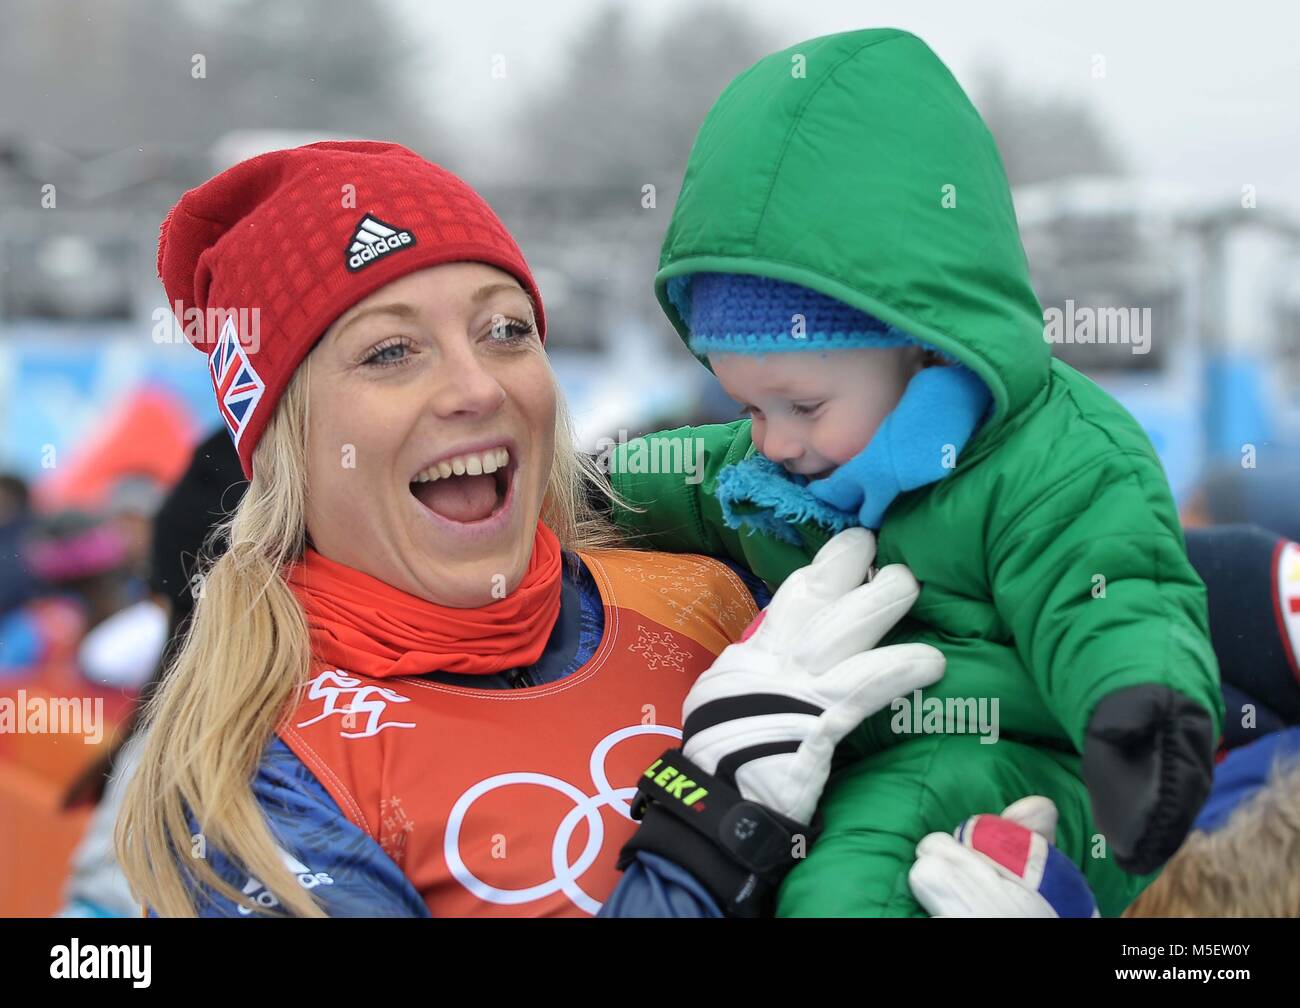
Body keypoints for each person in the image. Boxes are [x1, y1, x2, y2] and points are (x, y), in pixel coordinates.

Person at [114, 140, 944, 917]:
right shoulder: (261, 782)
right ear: (286, 442)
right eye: (391, 351)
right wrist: (718, 829)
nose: (477, 387)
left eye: (506, 331)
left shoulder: (716, 599)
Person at [600, 27, 1221, 916]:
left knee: (845, 889)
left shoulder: (1053, 457)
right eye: (748, 407)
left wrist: (1139, 724)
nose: (770, 441)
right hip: (846, 744)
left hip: (1011, 756)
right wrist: (580, 485)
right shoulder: (793, 459)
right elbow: (686, 478)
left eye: (801, 405)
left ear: (923, 349)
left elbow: (1118, 591)